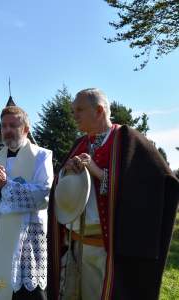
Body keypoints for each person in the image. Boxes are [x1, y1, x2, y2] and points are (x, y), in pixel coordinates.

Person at [48, 88, 179, 300]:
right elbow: (61, 188)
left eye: (79, 110)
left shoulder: (130, 141)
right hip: (74, 247)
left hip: (106, 253)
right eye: (73, 111)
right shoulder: (80, 144)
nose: (75, 116)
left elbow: (153, 188)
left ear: (99, 110)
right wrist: (66, 173)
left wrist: (99, 173)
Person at [0, 106, 53, 300]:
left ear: (26, 129)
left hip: (27, 239)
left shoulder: (41, 156)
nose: (7, 130)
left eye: (13, 125)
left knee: (28, 293)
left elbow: (43, 194)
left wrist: (6, 186)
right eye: (4, 126)